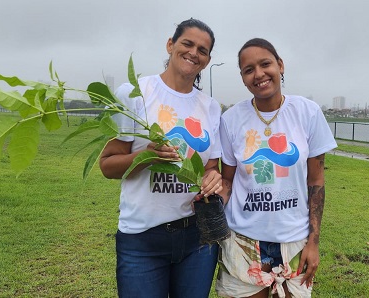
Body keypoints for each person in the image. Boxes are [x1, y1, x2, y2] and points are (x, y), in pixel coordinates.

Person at [99, 18, 223, 298]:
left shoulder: (210, 107)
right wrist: (146, 156)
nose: (194, 53)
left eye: (202, 50)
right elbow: (107, 165)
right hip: (142, 239)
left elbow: (212, 168)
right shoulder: (135, 95)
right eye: (187, 44)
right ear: (170, 45)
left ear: (207, 60)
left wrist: (213, 178)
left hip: (198, 239)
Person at [216, 38, 337, 297]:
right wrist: (209, 197)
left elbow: (316, 182)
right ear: (243, 78)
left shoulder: (308, 112)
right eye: (249, 70)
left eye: (265, 64)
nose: (258, 74)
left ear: (280, 65)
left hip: (294, 242)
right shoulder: (230, 120)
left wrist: (313, 242)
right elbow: (227, 181)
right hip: (243, 242)